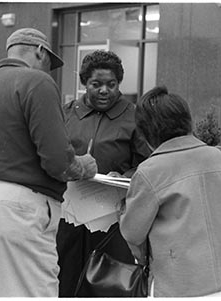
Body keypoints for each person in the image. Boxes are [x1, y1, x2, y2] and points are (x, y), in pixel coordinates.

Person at [0, 28, 98, 297]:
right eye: (49, 63)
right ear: (40, 51)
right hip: (20, 208)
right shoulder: (37, 82)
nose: (49, 71)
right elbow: (58, 162)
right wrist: (83, 166)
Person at [119, 86, 221, 297]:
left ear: (147, 132)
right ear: (186, 121)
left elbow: (132, 232)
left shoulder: (151, 170)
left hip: (178, 285)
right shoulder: (220, 159)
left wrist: (121, 209)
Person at [57, 50, 151, 297]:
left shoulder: (135, 117)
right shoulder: (66, 114)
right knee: (66, 277)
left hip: (113, 218)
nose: (104, 90)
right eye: (95, 84)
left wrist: (127, 175)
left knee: (107, 282)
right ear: (84, 84)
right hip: (69, 216)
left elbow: (148, 163)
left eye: (111, 84)